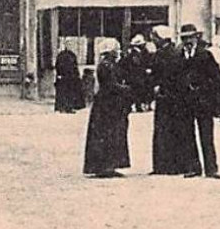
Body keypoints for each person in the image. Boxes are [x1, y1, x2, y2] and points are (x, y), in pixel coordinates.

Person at [149, 25, 200, 175]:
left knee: (169, 130)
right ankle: (166, 165)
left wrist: (159, 85)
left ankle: (169, 165)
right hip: (167, 96)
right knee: (167, 130)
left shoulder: (170, 53)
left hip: (170, 96)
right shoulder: (170, 51)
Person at [179, 23, 220, 178]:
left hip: (203, 102)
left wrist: (207, 92)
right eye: (184, 38)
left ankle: (211, 168)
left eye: (190, 37)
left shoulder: (205, 55)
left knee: (206, 135)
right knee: (187, 135)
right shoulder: (178, 55)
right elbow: (173, 78)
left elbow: (218, 77)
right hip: (186, 102)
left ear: (196, 37)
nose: (187, 41)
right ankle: (193, 167)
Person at [83, 39, 132, 178]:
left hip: (109, 103)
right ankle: (104, 166)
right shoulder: (106, 66)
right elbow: (111, 85)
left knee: (111, 133)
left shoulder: (109, 65)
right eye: (115, 50)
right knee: (107, 133)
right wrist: (127, 89)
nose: (117, 52)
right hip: (107, 104)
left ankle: (108, 165)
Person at [119, 34, 152, 114]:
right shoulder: (134, 54)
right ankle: (137, 105)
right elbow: (136, 65)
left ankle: (139, 104)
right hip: (135, 76)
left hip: (138, 75)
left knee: (139, 91)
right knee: (136, 91)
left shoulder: (141, 52)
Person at [53, 47, 84, 113]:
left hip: (64, 78)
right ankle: (67, 107)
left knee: (64, 94)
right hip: (69, 78)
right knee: (68, 94)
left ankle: (63, 107)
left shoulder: (62, 56)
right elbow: (75, 68)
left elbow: (57, 67)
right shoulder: (70, 56)